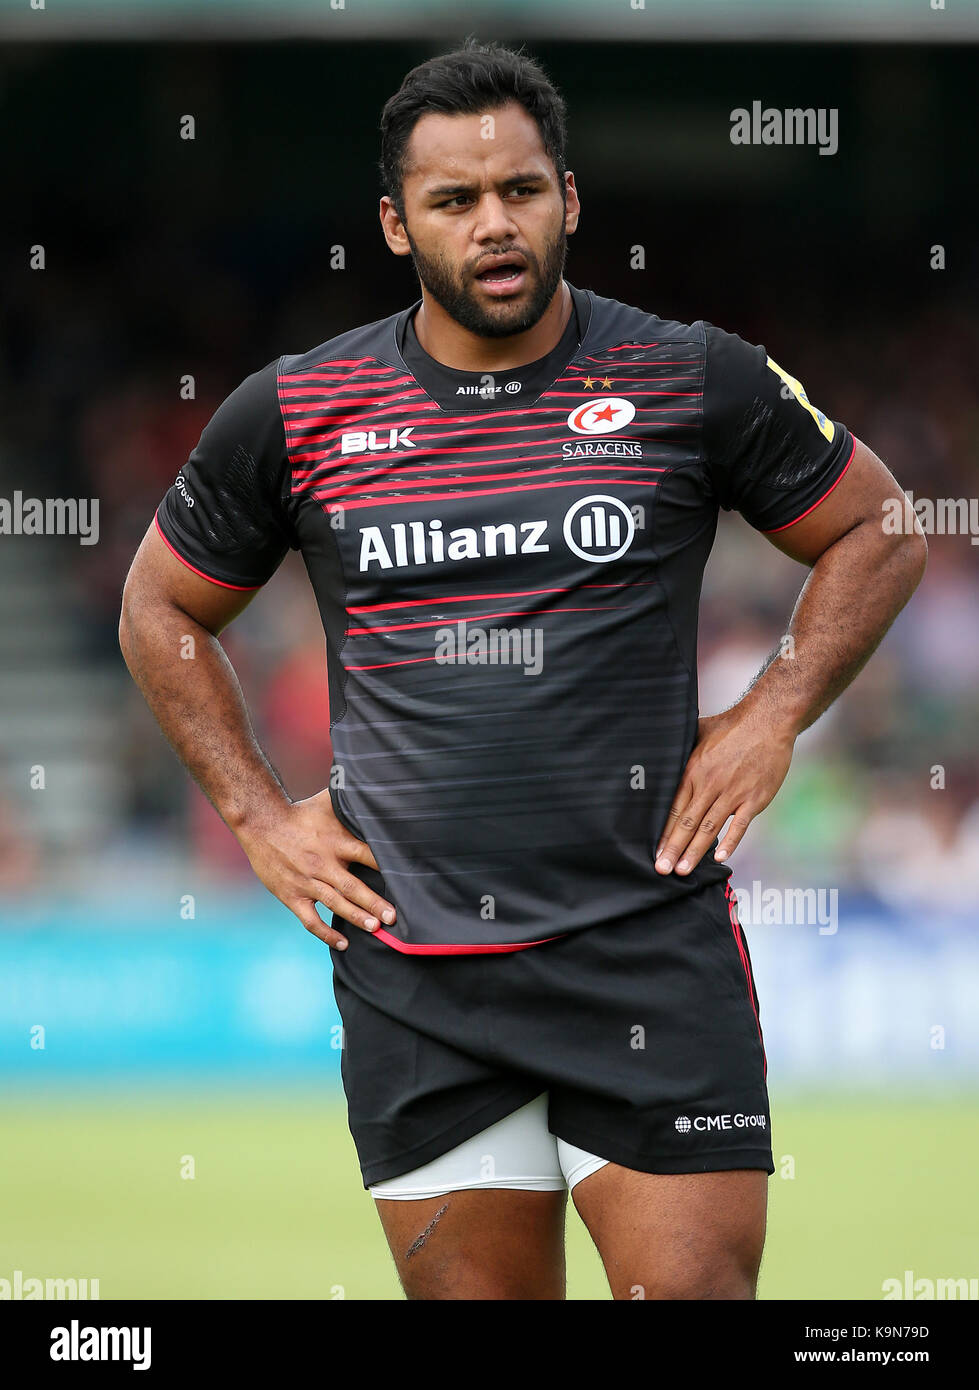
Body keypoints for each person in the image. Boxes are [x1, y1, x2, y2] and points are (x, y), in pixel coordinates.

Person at [119, 39, 927, 1300]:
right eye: (453, 200)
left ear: (569, 197)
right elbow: (160, 604)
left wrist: (773, 713)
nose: (493, 224)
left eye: (521, 191)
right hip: (418, 975)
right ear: (396, 223)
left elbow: (880, 527)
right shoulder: (297, 410)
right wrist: (257, 816)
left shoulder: (687, 373)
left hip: (645, 947)